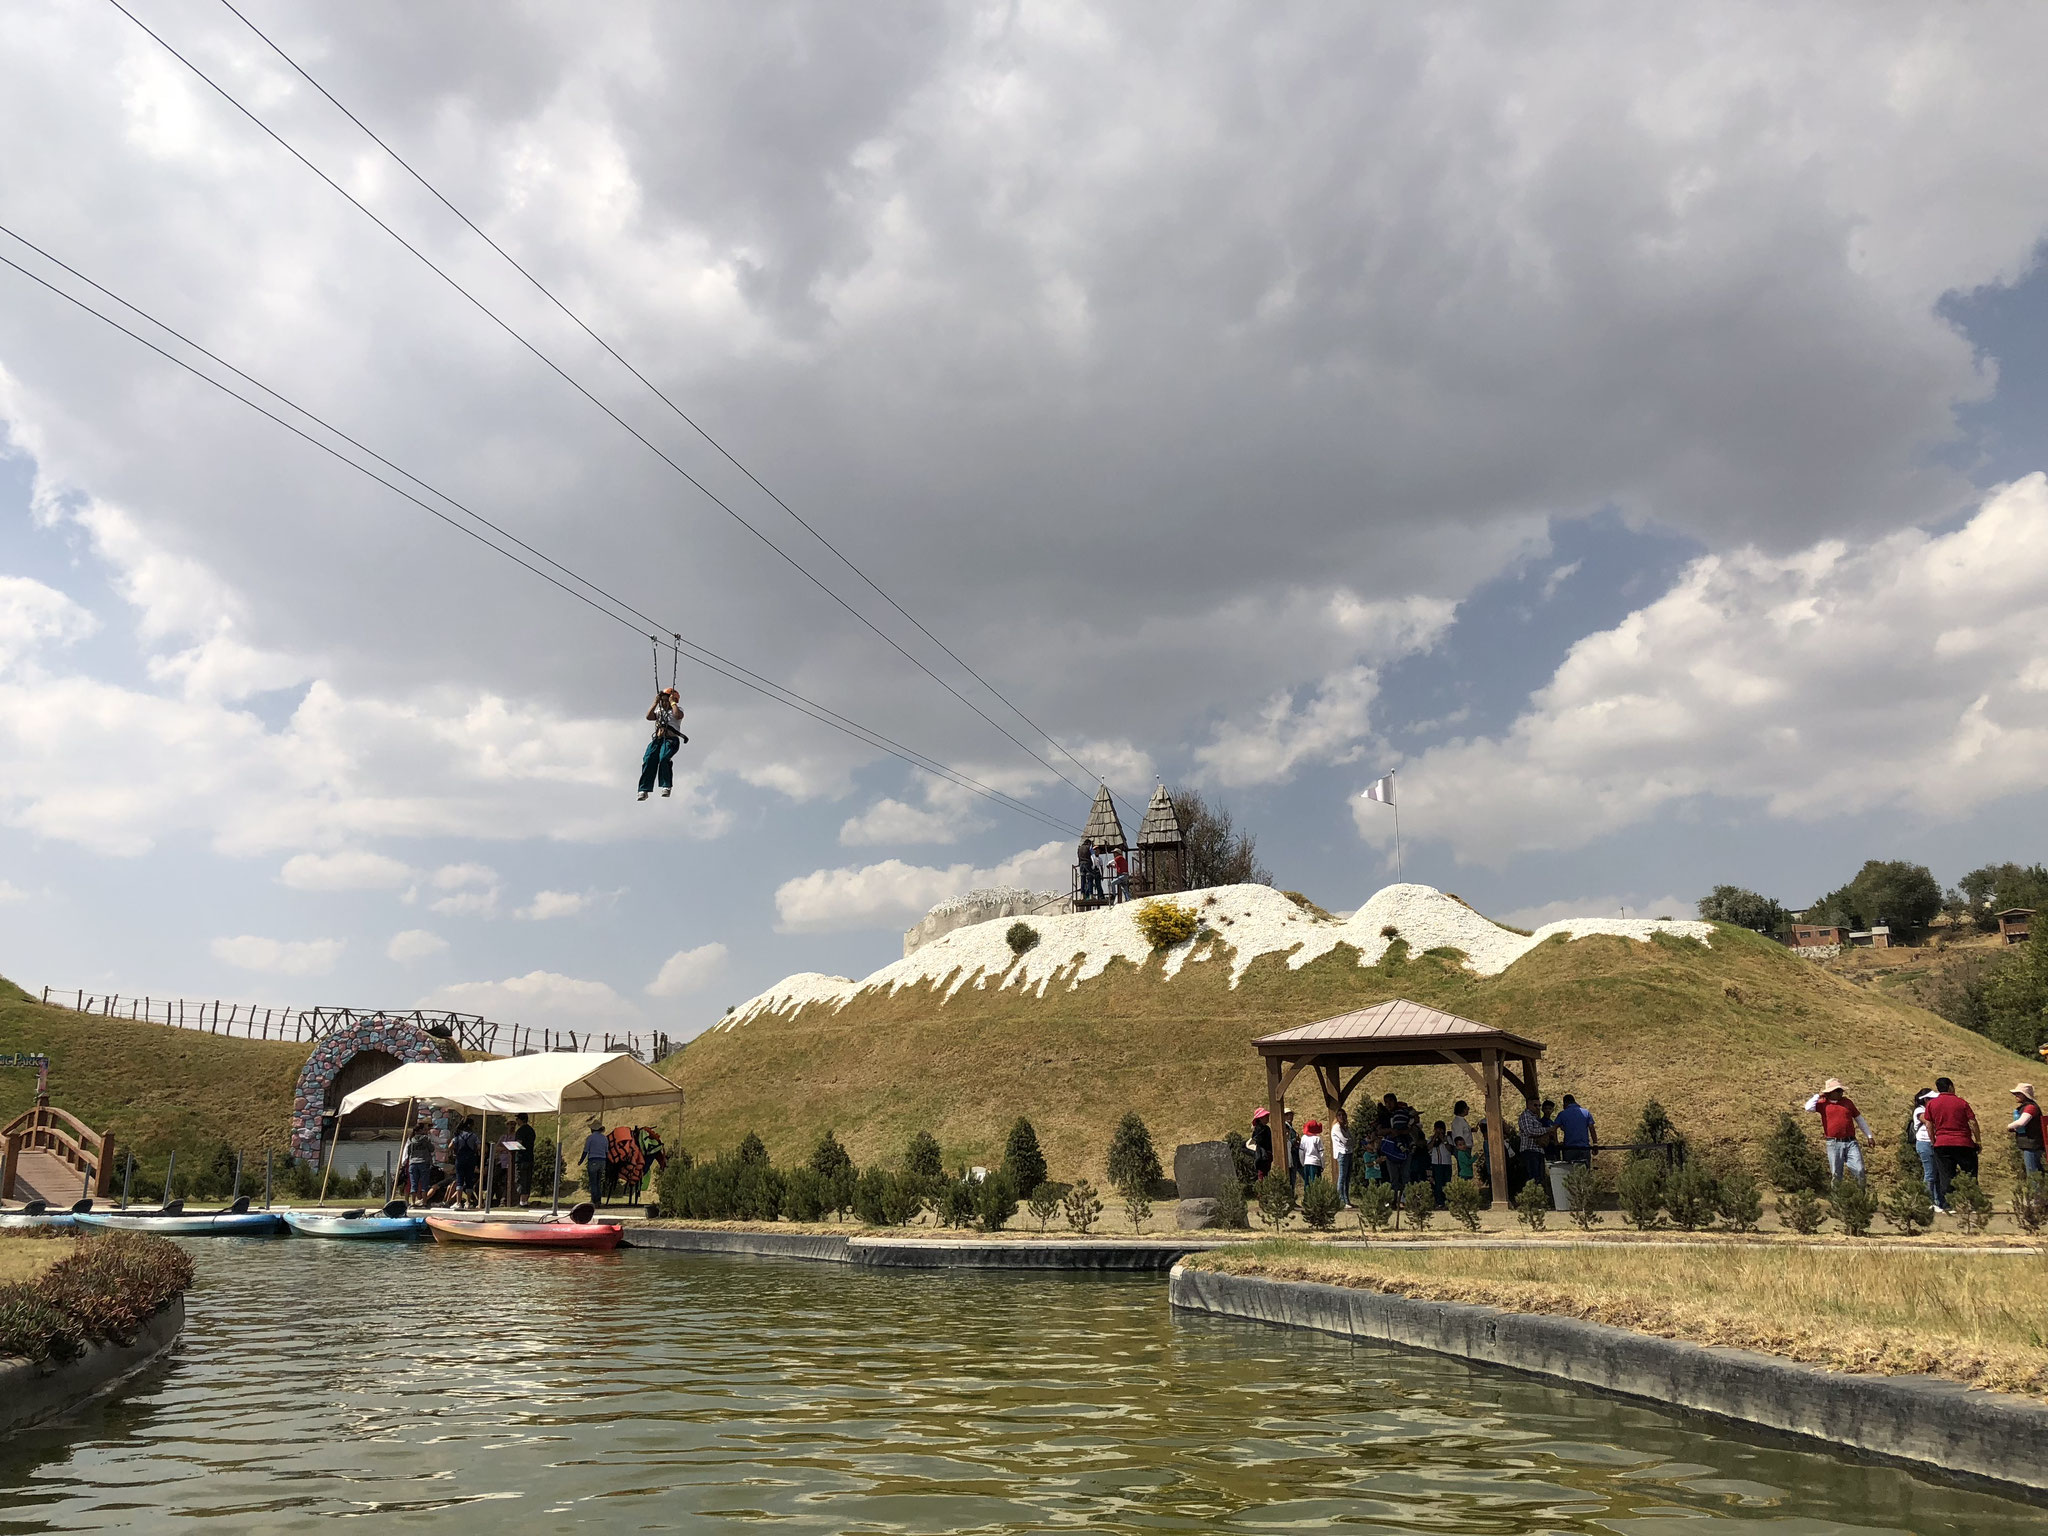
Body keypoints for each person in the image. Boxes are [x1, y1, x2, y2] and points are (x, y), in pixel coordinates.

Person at [1802, 1078, 1874, 1185]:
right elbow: (1808, 1107)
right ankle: (1837, 1199)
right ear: (1831, 1092)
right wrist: (1818, 1096)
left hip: (1851, 1142)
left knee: (1859, 1170)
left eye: (1841, 1090)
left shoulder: (1847, 1102)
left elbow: (1859, 1119)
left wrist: (1869, 1135)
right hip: (1833, 1143)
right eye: (1838, 1091)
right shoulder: (1823, 1104)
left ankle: (1860, 1197)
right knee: (1836, 1174)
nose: (1841, 1093)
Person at [1923, 1076, 1980, 1210]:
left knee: (1946, 1175)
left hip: (1942, 1143)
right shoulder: (1961, 1102)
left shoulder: (1932, 1104)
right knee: (1970, 1173)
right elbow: (1972, 1122)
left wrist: (1933, 1141)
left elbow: (1929, 1125)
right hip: (1963, 1143)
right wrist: (1978, 1140)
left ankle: (1948, 1205)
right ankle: (1972, 1203)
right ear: (1950, 1087)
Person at [637, 687, 688, 801]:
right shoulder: (659, 711)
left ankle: (666, 785)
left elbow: (677, 715)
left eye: (666, 700)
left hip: (670, 741)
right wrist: (655, 703)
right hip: (658, 740)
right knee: (649, 759)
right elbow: (649, 716)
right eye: (663, 701)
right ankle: (644, 789)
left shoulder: (677, 710)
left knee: (664, 758)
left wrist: (672, 702)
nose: (664, 703)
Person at [1909, 1089, 1940, 1206]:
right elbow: (1928, 1122)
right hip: (1925, 1143)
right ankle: (1927, 1202)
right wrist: (1933, 1141)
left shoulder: (1932, 1110)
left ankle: (1938, 1201)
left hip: (1934, 1143)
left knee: (1937, 1174)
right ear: (1926, 1100)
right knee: (1930, 1173)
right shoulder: (1919, 1110)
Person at [2010, 1083, 2044, 1176]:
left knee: (2033, 1174)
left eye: (2018, 1093)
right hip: (2031, 1144)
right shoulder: (2028, 1107)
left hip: (2032, 1145)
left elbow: (2021, 1122)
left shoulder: (2030, 1108)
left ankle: (2036, 1191)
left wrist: (2009, 1126)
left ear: (2025, 1095)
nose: (2016, 1096)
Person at [1516, 1097, 1549, 1189]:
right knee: (1533, 1178)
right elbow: (1529, 1131)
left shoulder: (1536, 1118)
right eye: (1535, 1105)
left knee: (1539, 1177)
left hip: (1538, 1150)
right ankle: (1533, 1197)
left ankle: (1539, 1196)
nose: (1538, 1107)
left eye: (1539, 1105)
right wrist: (1546, 1130)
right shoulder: (1525, 1116)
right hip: (1529, 1150)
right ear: (1528, 1105)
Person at [1554, 1094, 1595, 1164]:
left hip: (1569, 1148)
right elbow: (1592, 1129)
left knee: (1570, 1172)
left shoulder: (1562, 1114)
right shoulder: (1586, 1112)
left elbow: (1553, 1128)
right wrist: (1595, 1143)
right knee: (1584, 1171)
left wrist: (1556, 1142)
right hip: (1584, 1148)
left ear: (1565, 1103)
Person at [450, 1118, 481, 1208]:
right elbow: (479, 1146)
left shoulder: (458, 1135)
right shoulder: (474, 1136)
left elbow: (450, 1146)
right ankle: (468, 1202)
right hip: (471, 1159)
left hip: (460, 1159)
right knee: (469, 1180)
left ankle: (458, 1202)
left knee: (459, 1180)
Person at [583, 1121, 612, 1206]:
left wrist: (581, 1161)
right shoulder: (604, 1138)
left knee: (593, 1182)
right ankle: (598, 1200)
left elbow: (585, 1151)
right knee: (598, 1181)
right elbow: (606, 1151)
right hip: (602, 1161)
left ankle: (593, 1199)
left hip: (593, 1160)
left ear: (593, 1129)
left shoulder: (590, 1138)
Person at [512, 1114, 537, 1205]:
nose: (516, 1121)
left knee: (520, 1179)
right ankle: (525, 1200)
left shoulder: (520, 1131)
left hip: (521, 1158)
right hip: (530, 1157)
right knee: (528, 1179)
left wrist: (509, 1146)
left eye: (517, 1119)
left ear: (521, 1120)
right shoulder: (531, 1130)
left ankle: (522, 1201)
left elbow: (519, 1144)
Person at [405, 1123, 434, 1202]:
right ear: (420, 1130)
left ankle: (413, 1202)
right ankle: (424, 1202)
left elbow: (408, 1152)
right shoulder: (426, 1139)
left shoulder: (411, 1140)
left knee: (413, 1183)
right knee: (424, 1183)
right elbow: (432, 1149)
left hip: (413, 1163)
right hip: (423, 1162)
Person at [1427, 1120, 1453, 1207]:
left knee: (1447, 1182)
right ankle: (1439, 1201)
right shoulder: (1431, 1138)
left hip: (1446, 1163)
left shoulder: (1448, 1138)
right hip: (1436, 1164)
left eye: (1440, 1129)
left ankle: (1447, 1200)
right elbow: (1428, 1148)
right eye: (1437, 1129)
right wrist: (1435, 1138)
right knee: (1438, 1183)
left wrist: (1443, 1140)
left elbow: (1450, 1149)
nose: (1439, 1131)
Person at [1331, 1108, 1353, 1206]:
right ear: (1336, 1117)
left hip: (1348, 1152)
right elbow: (1346, 1140)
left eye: (1343, 1115)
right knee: (1342, 1177)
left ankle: (1346, 1199)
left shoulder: (1345, 1127)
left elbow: (1352, 1139)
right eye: (1339, 1115)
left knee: (1347, 1177)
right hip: (1342, 1153)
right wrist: (1350, 1141)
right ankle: (1340, 1200)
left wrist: (1350, 1141)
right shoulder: (1336, 1127)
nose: (1342, 1117)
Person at [1247, 1107, 1273, 1180]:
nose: (1267, 1118)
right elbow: (1258, 1140)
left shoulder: (1266, 1128)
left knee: (1265, 1173)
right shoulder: (1260, 1129)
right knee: (1262, 1174)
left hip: (1266, 1154)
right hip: (1262, 1154)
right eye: (1265, 1116)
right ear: (1260, 1118)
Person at [1298, 1117, 1325, 1185]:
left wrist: (1303, 1163)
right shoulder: (1317, 1139)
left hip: (1306, 1163)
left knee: (1307, 1183)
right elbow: (1321, 1153)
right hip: (1316, 1163)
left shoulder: (1304, 1138)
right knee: (1316, 1183)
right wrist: (1323, 1165)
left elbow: (1301, 1152)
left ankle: (1307, 1195)